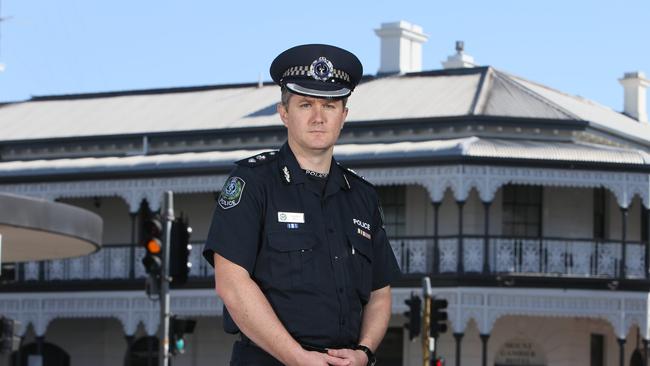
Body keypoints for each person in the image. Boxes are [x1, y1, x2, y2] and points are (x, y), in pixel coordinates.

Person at [203, 44, 401, 366]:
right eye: (305, 104)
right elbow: (231, 283)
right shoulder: (253, 182)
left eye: (330, 105)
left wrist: (364, 352)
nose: (318, 118)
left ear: (344, 116)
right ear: (284, 113)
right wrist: (297, 357)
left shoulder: (363, 196)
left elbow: (380, 292)